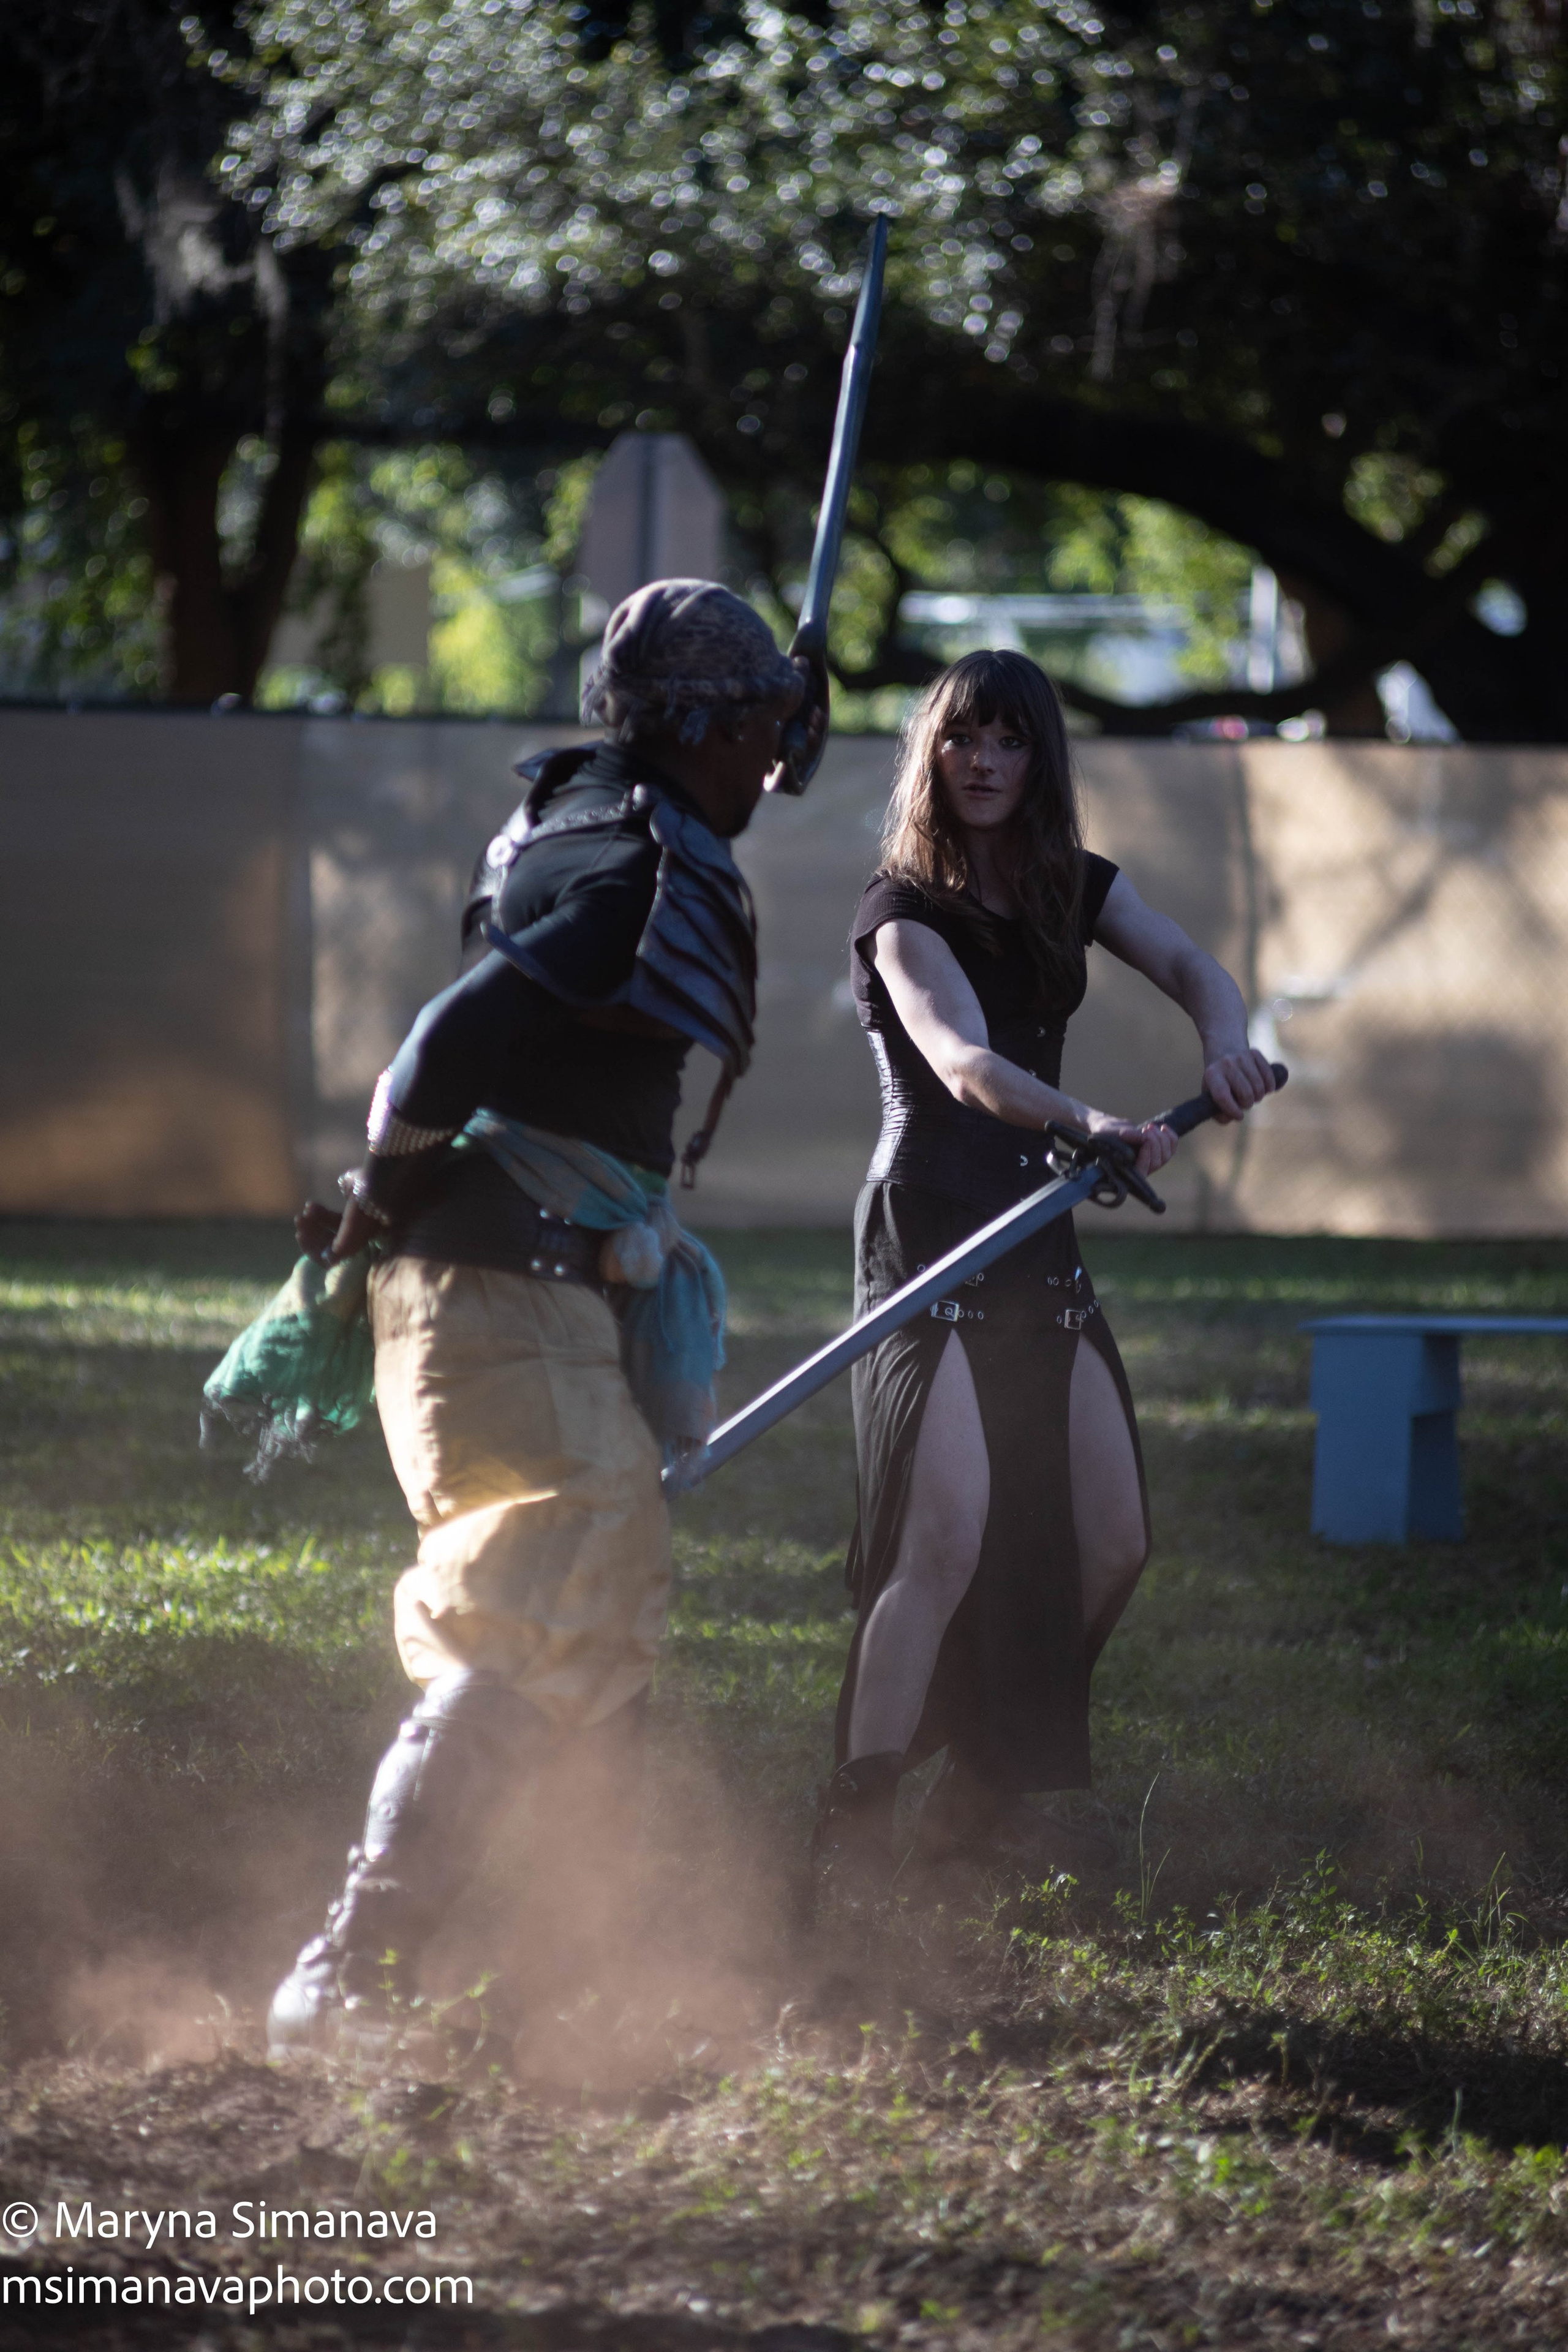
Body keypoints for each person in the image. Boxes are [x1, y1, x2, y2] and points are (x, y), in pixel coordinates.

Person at [266, 578, 821, 2056]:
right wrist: (382, 1193)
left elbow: (740, 776)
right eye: (755, 726)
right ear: (695, 729)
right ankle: (346, 1973)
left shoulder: (580, 815)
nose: (773, 753)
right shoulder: (633, 869)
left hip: (522, 1288)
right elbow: (437, 1048)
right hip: (497, 1288)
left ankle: (574, 1966)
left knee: (598, 1610)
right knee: (530, 1615)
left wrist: (785, 707)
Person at [814, 648, 1275, 1903]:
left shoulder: (1073, 885)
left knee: (1113, 1540)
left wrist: (1226, 1046)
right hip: (928, 1231)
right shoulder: (898, 909)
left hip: (1036, 1228)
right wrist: (1090, 1123)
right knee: (942, 1541)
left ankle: (981, 1793)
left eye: (1009, 741)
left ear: (1039, 760)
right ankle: (853, 1832)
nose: (984, 762)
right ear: (931, 752)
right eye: (963, 738)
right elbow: (963, 1064)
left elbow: (1196, 969)